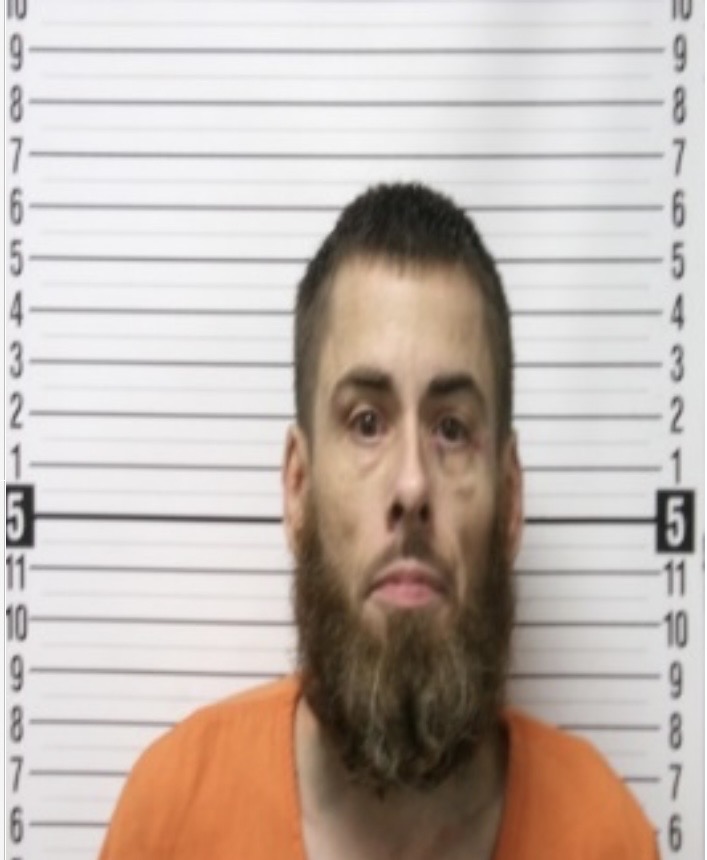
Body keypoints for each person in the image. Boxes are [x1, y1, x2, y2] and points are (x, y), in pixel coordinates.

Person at [98, 183, 659, 859]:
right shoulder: (171, 821)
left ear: (510, 500)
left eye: (452, 428)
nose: (412, 484)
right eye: (366, 422)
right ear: (298, 487)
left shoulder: (604, 836)